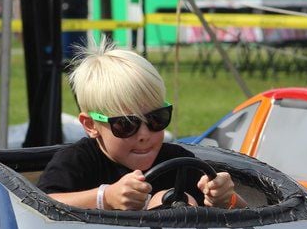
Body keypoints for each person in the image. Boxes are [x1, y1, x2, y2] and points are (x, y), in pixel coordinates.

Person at [37, 41, 243, 211]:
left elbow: (250, 213)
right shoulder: (77, 161)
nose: (144, 134)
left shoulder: (180, 162)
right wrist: (105, 198)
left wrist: (225, 198)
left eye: (156, 119)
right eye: (126, 124)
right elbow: (39, 204)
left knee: (170, 198)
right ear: (91, 125)